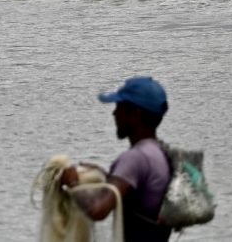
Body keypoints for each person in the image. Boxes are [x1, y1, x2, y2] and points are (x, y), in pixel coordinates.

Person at [60, 77, 172, 242]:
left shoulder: (134, 158)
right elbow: (140, 195)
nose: (114, 113)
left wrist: (73, 184)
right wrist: (105, 177)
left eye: (119, 107)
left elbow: (98, 210)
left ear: (135, 114)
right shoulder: (161, 153)